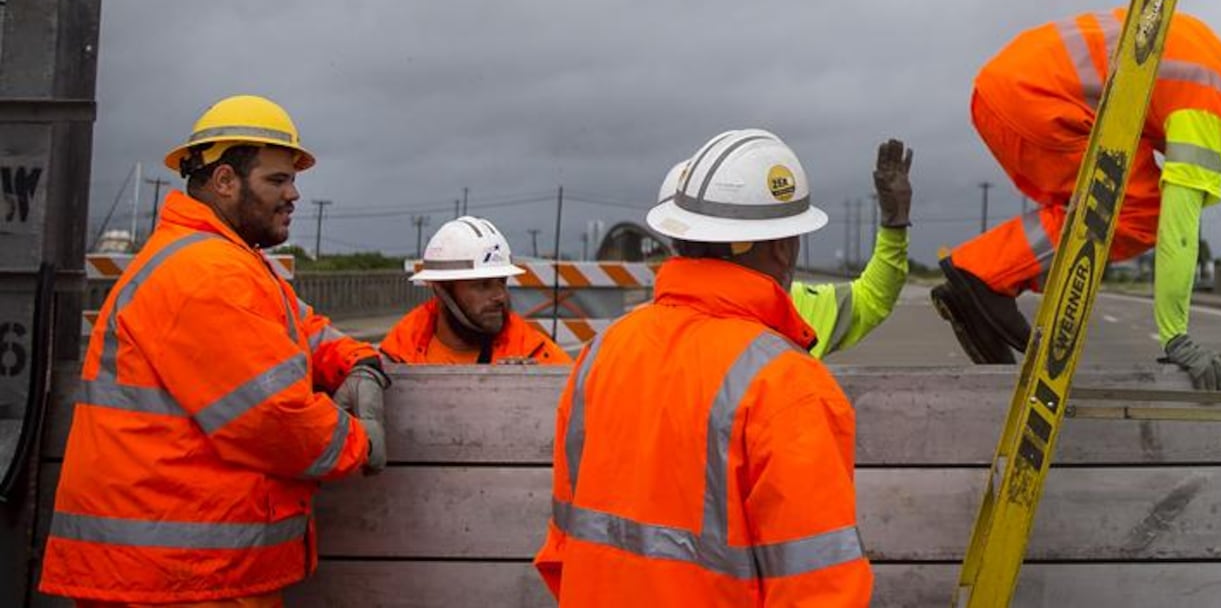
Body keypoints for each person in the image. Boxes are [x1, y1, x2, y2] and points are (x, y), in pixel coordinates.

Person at [40, 95, 390, 606]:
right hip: (175, 576)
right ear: (225, 181)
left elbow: (302, 329)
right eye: (277, 180)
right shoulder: (205, 274)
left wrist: (358, 361)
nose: (294, 194)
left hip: (181, 568)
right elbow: (273, 417)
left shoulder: (223, 261)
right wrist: (361, 442)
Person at [536, 128, 871, 605]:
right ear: (783, 246)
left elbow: (562, 548)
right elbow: (821, 590)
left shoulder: (601, 353)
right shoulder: (786, 384)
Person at [932, 9, 1221, 389]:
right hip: (1042, 105)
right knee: (1142, 213)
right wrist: (1176, 335)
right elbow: (1178, 224)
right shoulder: (1211, 98)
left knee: (1100, 204)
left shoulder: (1199, 46)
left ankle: (983, 288)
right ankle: (985, 277)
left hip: (1008, 90)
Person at [657, 137, 913, 360]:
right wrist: (894, 229)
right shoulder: (797, 315)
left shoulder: (629, 340)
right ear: (782, 248)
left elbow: (869, 298)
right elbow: (872, 297)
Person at [380, 216, 572, 366]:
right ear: (440, 288)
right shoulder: (396, 359)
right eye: (482, 285)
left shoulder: (539, 355)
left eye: (502, 282)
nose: (500, 296)